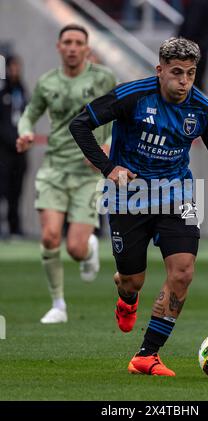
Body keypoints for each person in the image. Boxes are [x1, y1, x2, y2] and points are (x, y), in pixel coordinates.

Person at [70, 37, 208, 376]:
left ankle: (146, 355)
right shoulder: (132, 96)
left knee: (183, 272)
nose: (183, 82)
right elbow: (79, 125)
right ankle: (127, 298)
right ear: (160, 70)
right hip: (129, 195)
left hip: (180, 193)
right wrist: (110, 168)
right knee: (132, 280)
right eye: (177, 72)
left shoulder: (204, 110)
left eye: (191, 74)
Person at [16, 24, 116, 324]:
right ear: (59, 47)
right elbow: (29, 114)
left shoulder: (103, 78)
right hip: (54, 169)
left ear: (87, 48)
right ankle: (58, 305)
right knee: (49, 237)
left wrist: (108, 145)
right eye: (67, 42)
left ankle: (89, 250)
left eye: (78, 43)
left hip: (87, 174)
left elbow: (119, 113)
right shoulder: (47, 82)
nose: (72, 47)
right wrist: (25, 133)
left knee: (74, 248)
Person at [0, 55, 27, 238]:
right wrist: (10, 140)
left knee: (16, 192)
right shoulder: (3, 91)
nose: (15, 71)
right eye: (12, 67)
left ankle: (14, 227)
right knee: (2, 189)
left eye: (18, 67)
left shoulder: (22, 90)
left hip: (20, 151)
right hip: (4, 151)